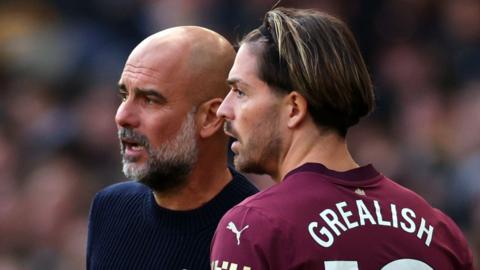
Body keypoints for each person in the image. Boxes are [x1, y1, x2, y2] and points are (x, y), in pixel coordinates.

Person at [211, 7, 475, 270]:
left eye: (240, 92)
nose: (224, 109)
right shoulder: (442, 232)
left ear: (294, 108)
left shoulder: (252, 227)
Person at [86, 26, 258, 270]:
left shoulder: (259, 230)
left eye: (150, 100)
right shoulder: (110, 208)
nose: (122, 116)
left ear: (210, 117)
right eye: (125, 95)